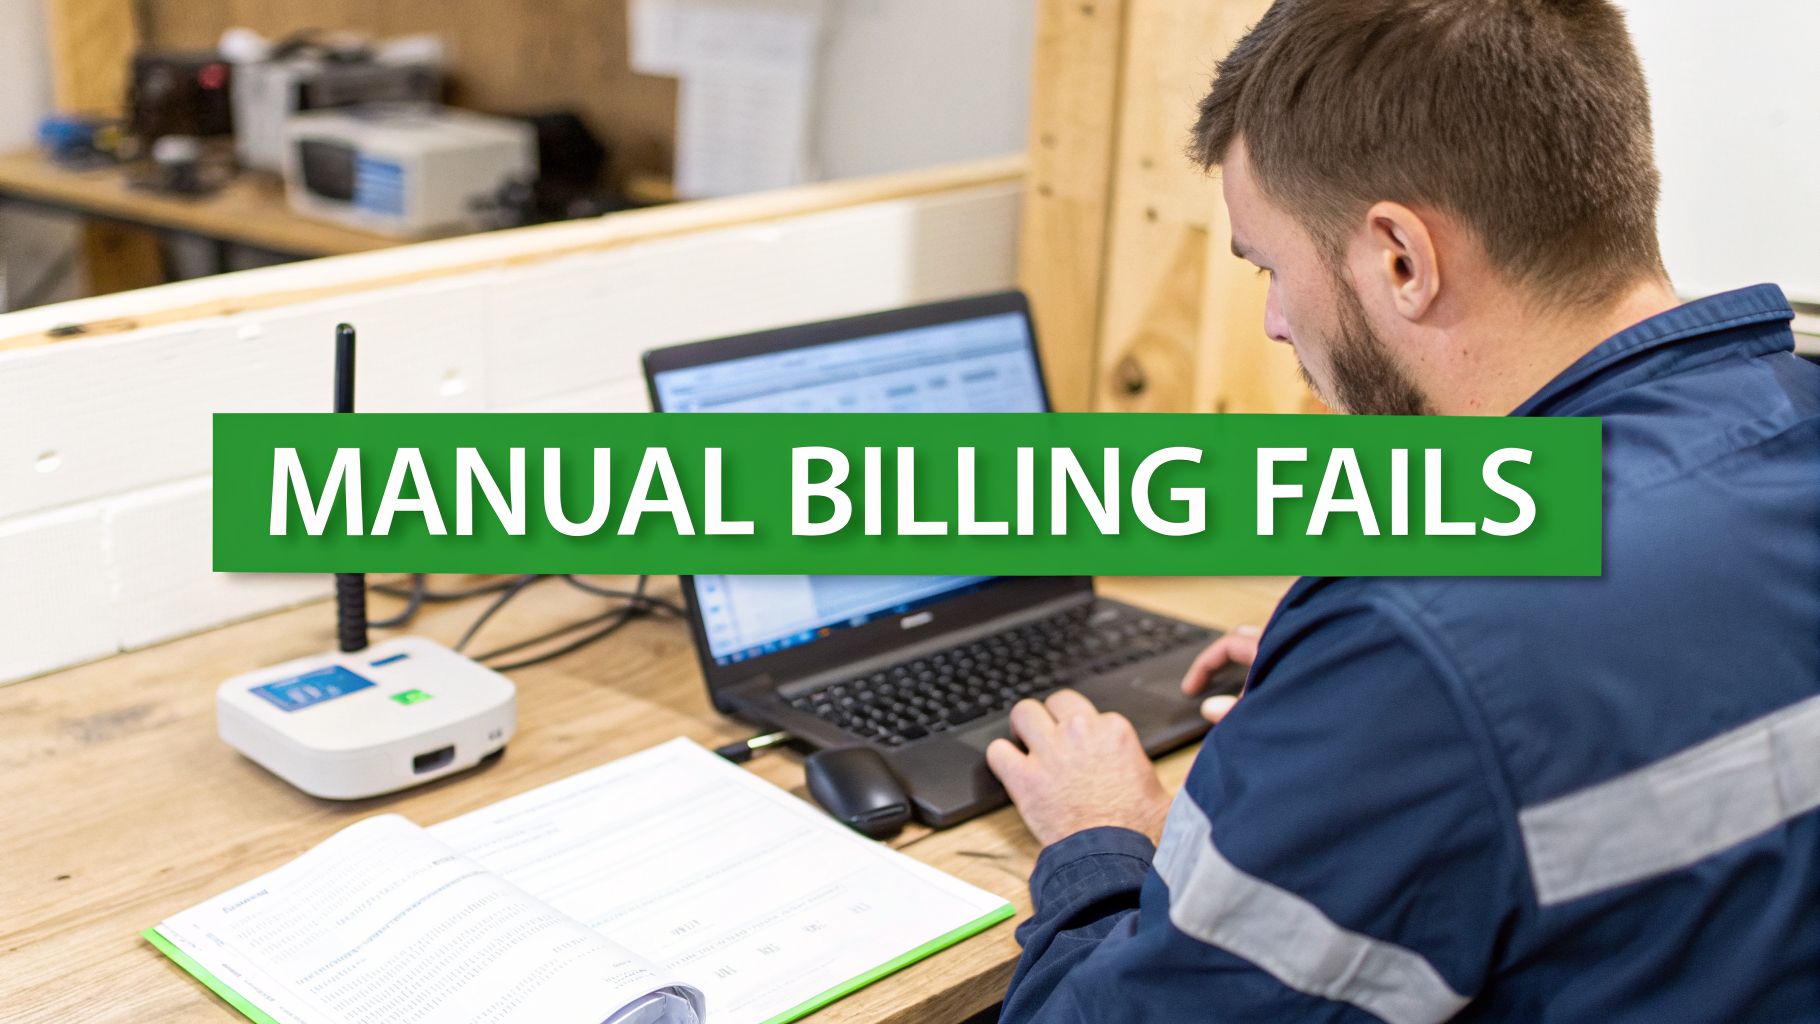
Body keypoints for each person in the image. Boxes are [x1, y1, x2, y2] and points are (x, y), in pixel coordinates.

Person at [984, 0, 1820, 1020]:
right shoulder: (1794, 415)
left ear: (1401, 259)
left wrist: (1099, 836)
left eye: (1270, 267)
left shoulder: (1420, 628)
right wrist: (1355, 697)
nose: (1274, 321)